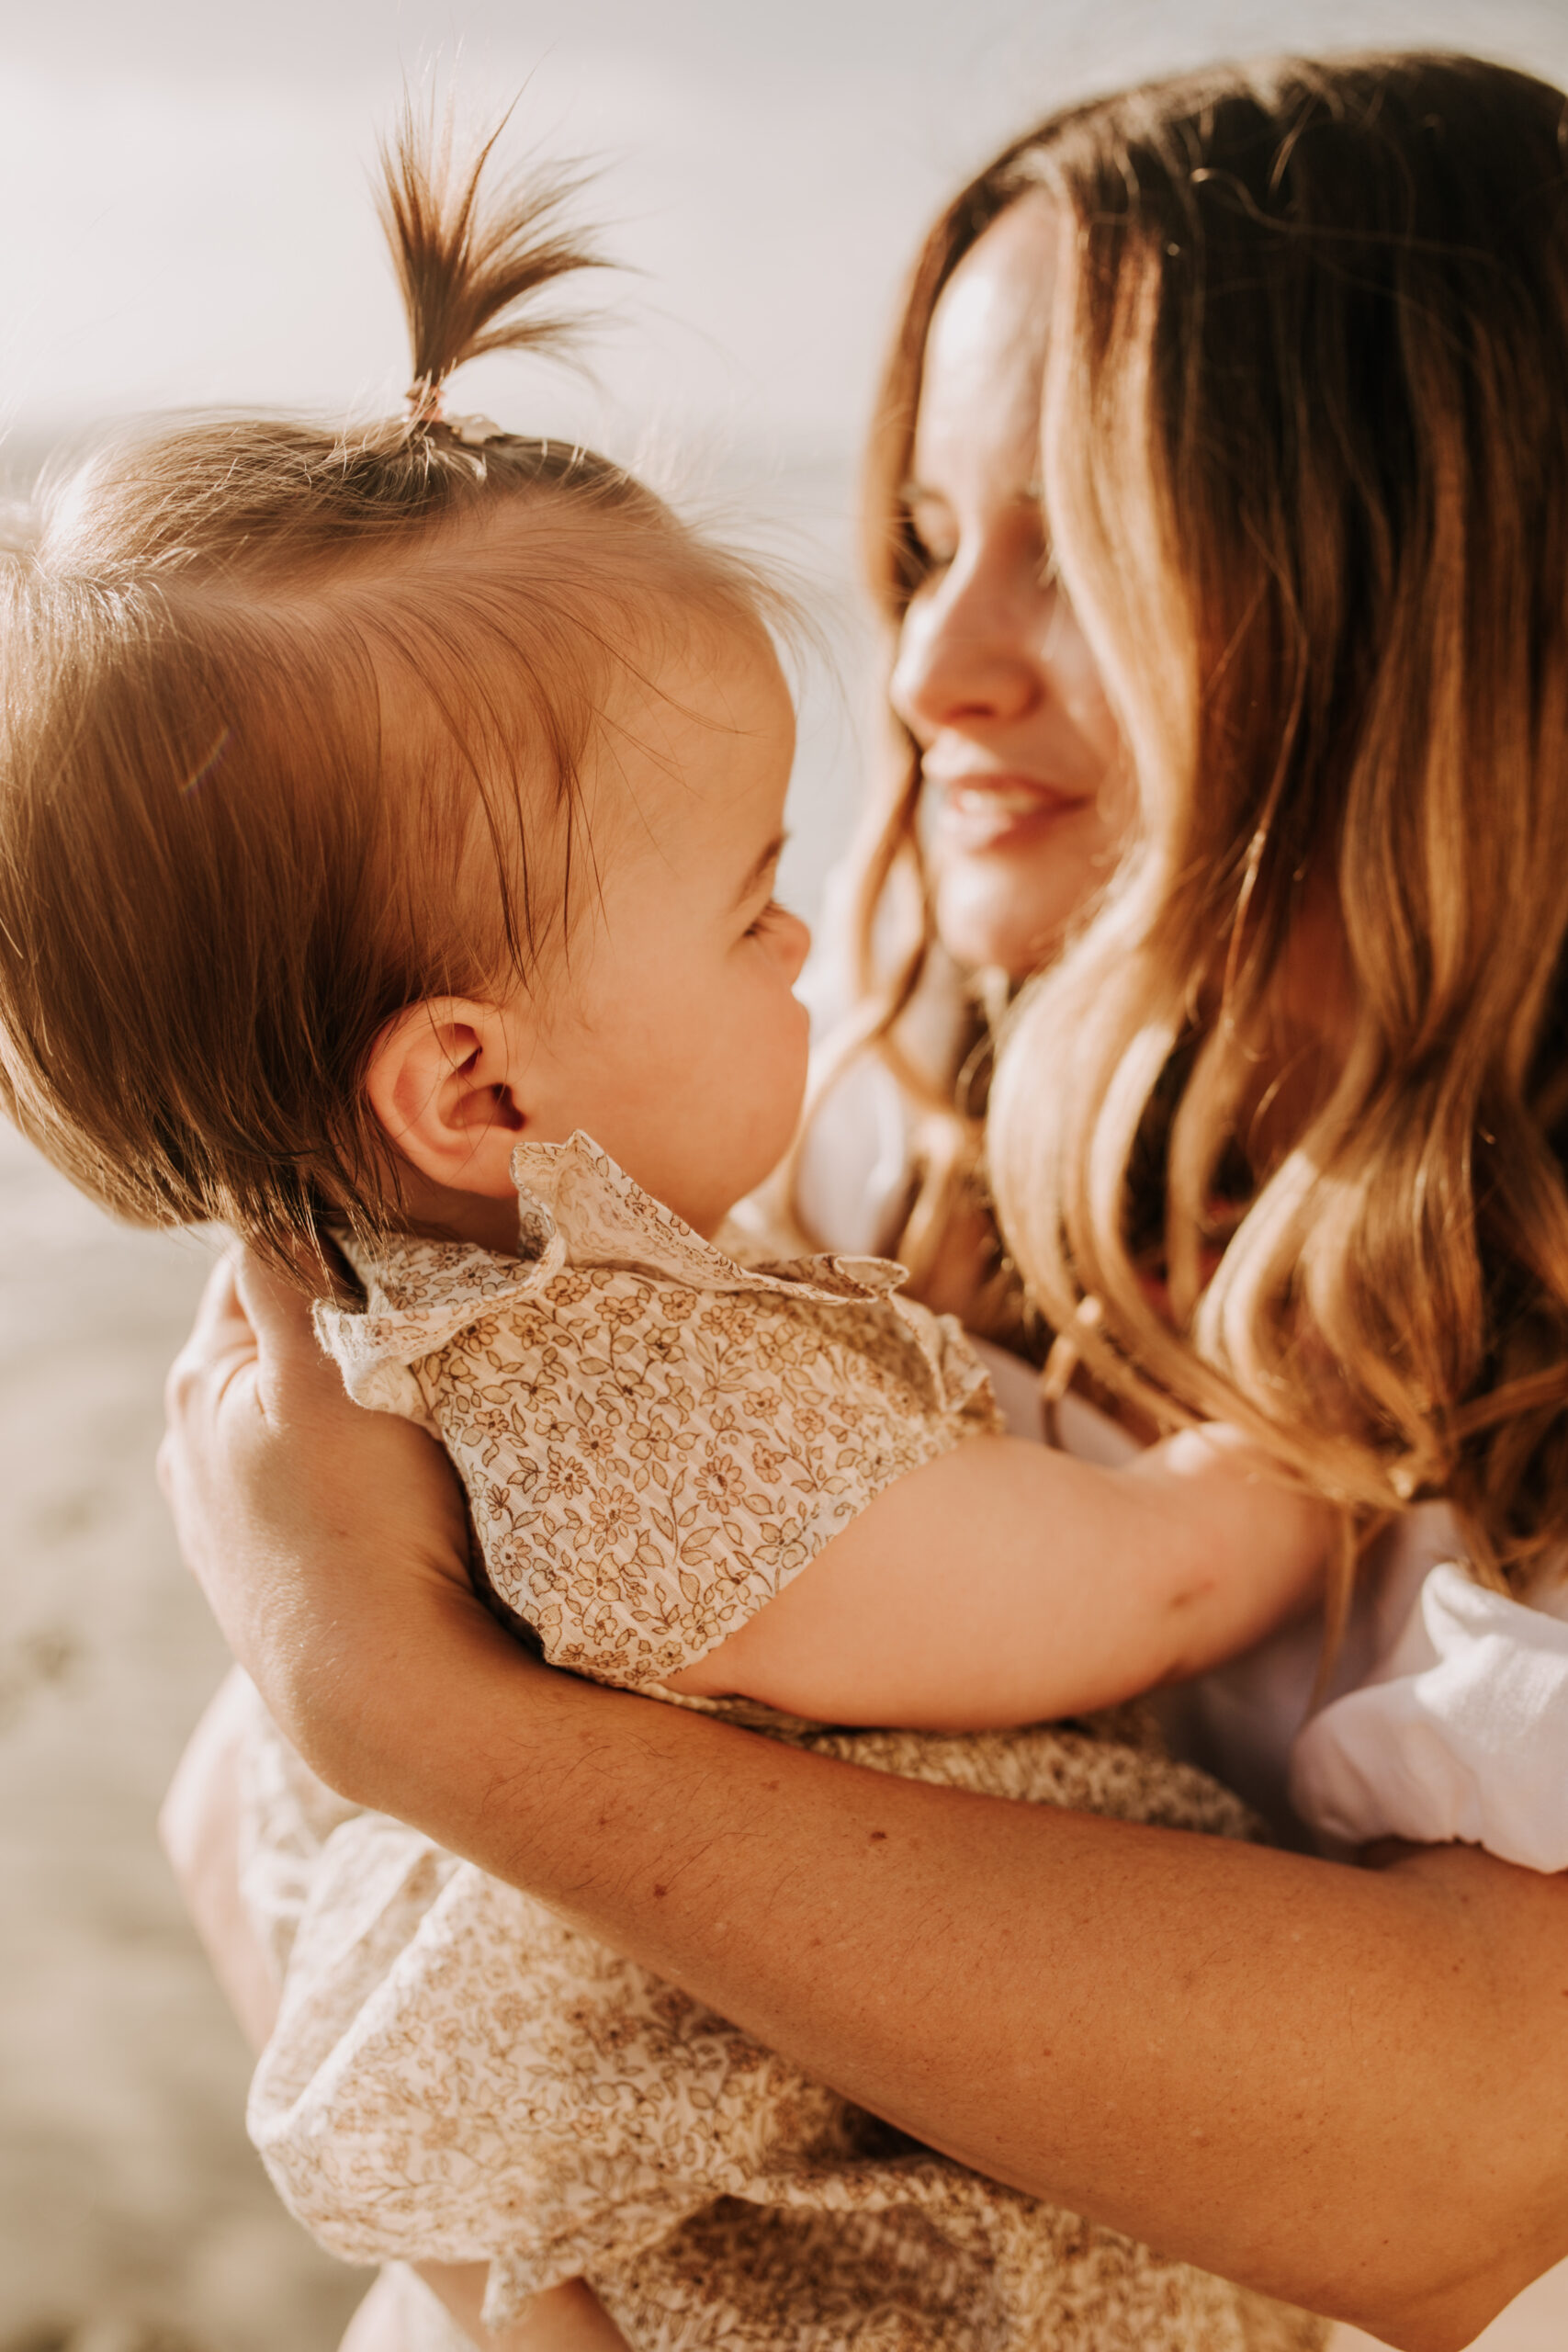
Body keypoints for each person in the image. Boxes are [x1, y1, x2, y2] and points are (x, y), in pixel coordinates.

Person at [154, 51, 1568, 2352]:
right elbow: (274, 1872)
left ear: (1448, 592)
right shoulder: (883, 1154)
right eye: (921, 539)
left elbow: (1492, 2148)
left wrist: (436, 1728)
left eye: (1080, 548)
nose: (925, 668)